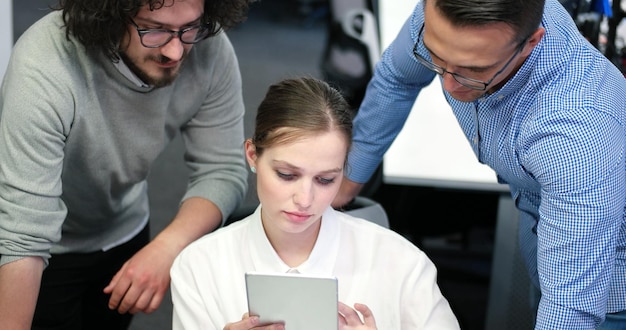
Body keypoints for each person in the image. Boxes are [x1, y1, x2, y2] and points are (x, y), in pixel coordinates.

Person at [331, 0, 626, 328]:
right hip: (546, 244)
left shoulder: (574, 137)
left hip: (608, 292)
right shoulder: (450, 16)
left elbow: (571, 306)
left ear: (531, 42)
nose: (450, 86)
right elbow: (397, 78)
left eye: (473, 72)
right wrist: (346, 182)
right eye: (437, 59)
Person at [0, 0, 253, 328]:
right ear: (109, 15)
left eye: (190, 27)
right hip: (44, 253)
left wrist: (167, 247)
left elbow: (222, 168)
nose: (175, 52)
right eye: (154, 29)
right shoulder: (44, 66)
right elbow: (24, 235)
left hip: (125, 230)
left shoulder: (209, 48)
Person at [170, 76, 461, 330]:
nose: (305, 200)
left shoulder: (402, 264)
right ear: (252, 155)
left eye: (325, 180)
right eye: (287, 175)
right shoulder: (199, 267)